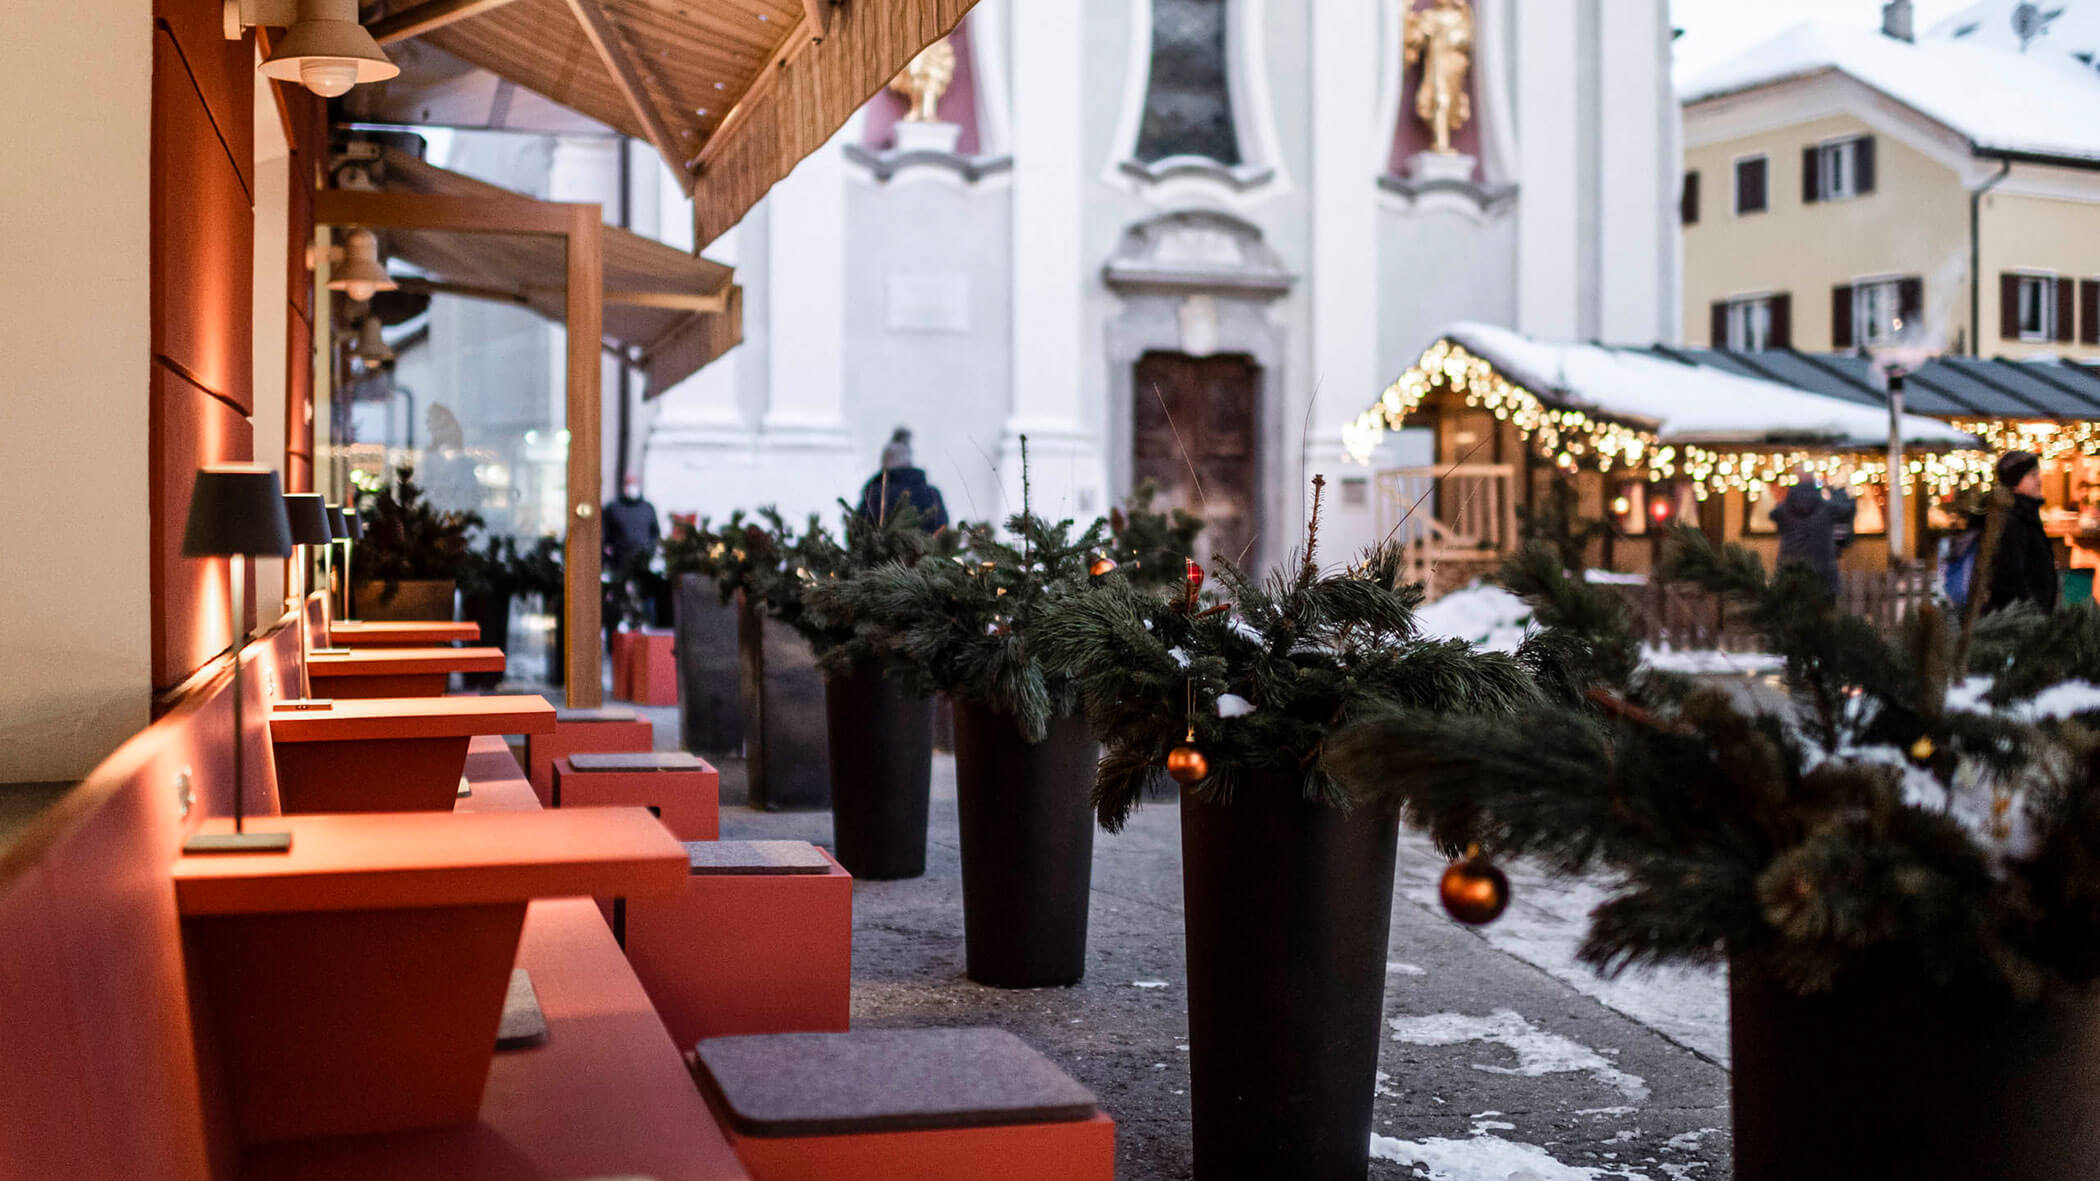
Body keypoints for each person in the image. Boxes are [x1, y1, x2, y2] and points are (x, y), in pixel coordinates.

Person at [1973, 449, 2058, 615]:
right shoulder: (2012, 520)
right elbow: (2010, 574)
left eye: (2038, 474)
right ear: (2015, 483)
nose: (2039, 480)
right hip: (2019, 622)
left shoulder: (2025, 515)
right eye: (2033, 475)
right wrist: (2031, 609)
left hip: (2027, 617)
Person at [857, 427, 949, 531]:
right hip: (926, 547)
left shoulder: (876, 493)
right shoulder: (931, 494)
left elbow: (858, 531)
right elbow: (942, 530)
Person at [1771, 472, 1842, 595]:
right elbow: (1844, 511)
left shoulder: (1783, 509)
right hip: (1823, 576)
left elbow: (1773, 515)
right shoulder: (1827, 508)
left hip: (1790, 575)